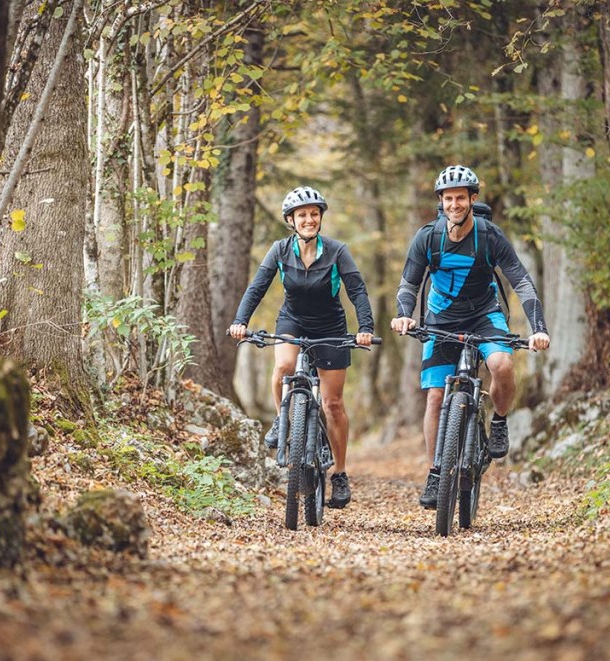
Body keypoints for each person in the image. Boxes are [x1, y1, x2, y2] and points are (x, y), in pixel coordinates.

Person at [390, 165, 550, 509]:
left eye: (460, 198)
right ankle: (435, 472)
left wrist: (539, 328)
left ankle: (500, 420)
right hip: (440, 318)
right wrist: (404, 315)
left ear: (472, 199)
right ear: (441, 202)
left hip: (484, 314)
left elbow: (521, 282)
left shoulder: (489, 236)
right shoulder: (427, 237)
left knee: (503, 365)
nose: (454, 204)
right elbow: (409, 284)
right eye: (448, 198)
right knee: (435, 397)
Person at [229, 186, 375, 509]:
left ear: (320, 217)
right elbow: (257, 288)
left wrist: (365, 328)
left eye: (313, 214)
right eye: (302, 215)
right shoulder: (280, 251)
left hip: (330, 327)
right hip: (292, 320)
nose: (308, 220)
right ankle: (283, 419)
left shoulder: (338, 252)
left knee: (332, 404)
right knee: (283, 367)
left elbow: (358, 292)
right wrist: (240, 321)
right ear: (291, 221)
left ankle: (339, 473)